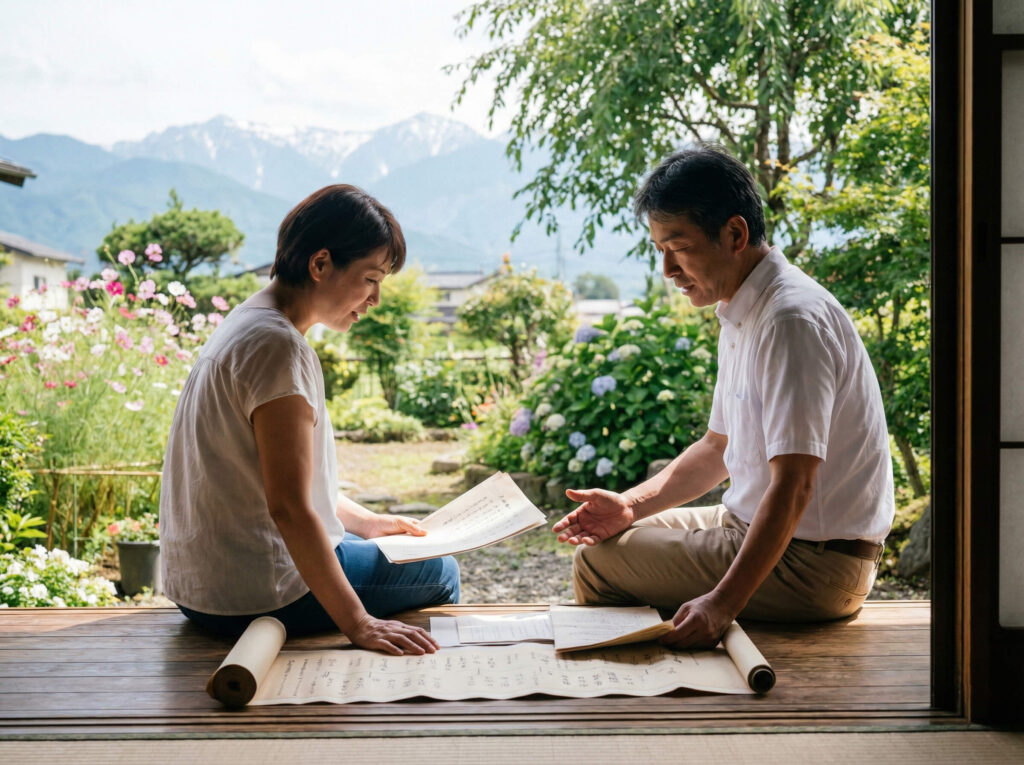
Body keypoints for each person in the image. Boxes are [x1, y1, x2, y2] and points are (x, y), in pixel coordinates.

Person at [552, 146, 894, 650]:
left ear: (735, 234)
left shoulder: (789, 320)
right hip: (762, 530)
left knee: (597, 563)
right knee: (613, 535)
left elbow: (795, 485)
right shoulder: (745, 309)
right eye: (659, 249)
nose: (667, 269)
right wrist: (628, 505)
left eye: (678, 247)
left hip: (815, 564)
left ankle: (650, 688)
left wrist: (721, 604)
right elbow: (718, 447)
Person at [160, 185, 459, 654]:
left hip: (202, 589)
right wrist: (359, 624)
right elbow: (289, 507)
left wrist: (368, 522)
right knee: (441, 571)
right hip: (261, 592)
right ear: (320, 264)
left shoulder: (246, 322)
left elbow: (279, 480)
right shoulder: (278, 347)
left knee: (400, 554)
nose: (376, 298)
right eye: (371, 278)